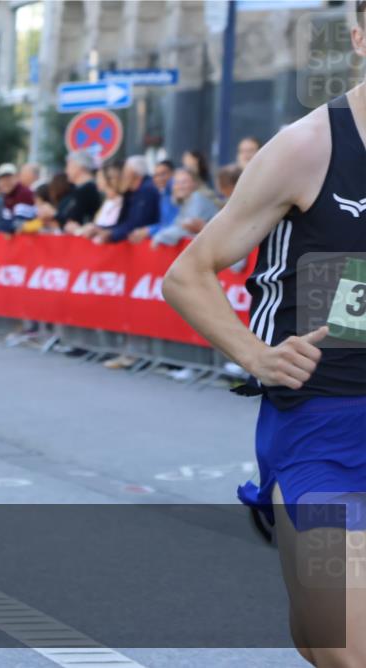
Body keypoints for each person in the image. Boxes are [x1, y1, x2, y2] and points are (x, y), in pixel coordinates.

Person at [163, 5, 366, 664]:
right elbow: (188, 274)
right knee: (335, 644)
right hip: (325, 426)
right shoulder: (311, 146)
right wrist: (256, 355)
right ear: (359, 37)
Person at [94, 156, 160, 243]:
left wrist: (111, 233)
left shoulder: (147, 190)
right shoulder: (130, 193)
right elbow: (124, 221)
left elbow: (137, 222)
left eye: (124, 171)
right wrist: (101, 229)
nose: (121, 175)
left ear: (134, 174)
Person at [150, 168, 220, 247]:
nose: (179, 186)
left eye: (184, 182)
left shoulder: (197, 198)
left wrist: (159, 236)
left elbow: (187, 229)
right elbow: (177, 225)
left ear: (194, 183)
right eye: (176, 182)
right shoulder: (186, 201)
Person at [58, 151, 102, 233]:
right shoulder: (76, 189)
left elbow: (73, 216)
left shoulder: (89, 190)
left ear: (79, 167)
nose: (66, 171)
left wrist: (54, 215)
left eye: (69, 166)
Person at [0, 163, 37, 231]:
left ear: (17, 178)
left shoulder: (24, 193)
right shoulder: (5, 196)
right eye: (2, 179)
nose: (5, 182)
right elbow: (5, 220)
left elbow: (19, 223)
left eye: (8, 179)